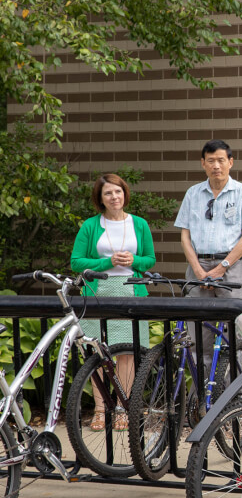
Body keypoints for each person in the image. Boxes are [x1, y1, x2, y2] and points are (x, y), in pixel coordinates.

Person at [71, 173, 156, 431]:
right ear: (100, 198)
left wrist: (135, 262)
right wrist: (108, 262)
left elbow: (150, 259)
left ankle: (121, 409)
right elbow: (76, 262)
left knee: (127, 354)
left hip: (132, 291)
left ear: (125, 193)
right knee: (98, 354)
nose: (114, 197)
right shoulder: (90, 226)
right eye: (108, 193)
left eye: (118, 191)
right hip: (98, 293)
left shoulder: (139, 224)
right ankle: (99, 410)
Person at [174, 139, 242, 369]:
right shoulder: (193, 193)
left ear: (230, 162)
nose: (216, 166)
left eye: (221, 160)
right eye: (211, 161)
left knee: (235, 332)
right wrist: (198, 270)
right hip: (198, 267)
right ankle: (200, 397)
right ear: (203, 163)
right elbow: (185, 237)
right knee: (196, 333)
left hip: (232, 268)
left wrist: (220, 267)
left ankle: (236, 394)